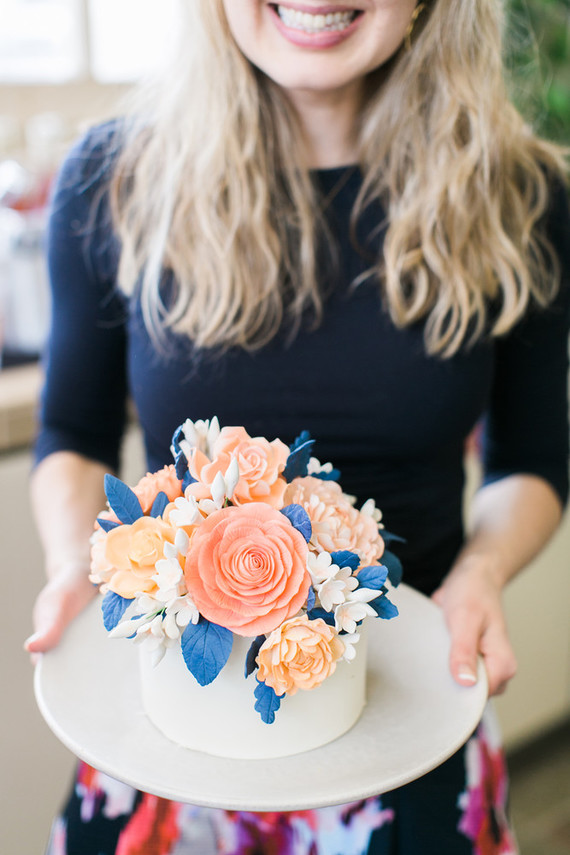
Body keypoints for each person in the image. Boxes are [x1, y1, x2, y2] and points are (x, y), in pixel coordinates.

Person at [26, 0, 569, 853]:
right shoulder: (116, 175)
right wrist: (73, 567)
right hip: (171, 740)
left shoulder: (524, 195)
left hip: (413, 724)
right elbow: (70, 429)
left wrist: (484, 572)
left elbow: (532, 460)